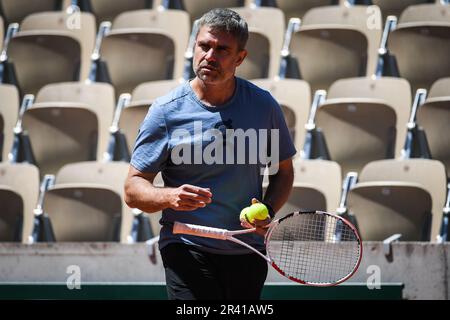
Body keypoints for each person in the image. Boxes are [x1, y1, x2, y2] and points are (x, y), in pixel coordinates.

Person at [124, 8, 295, 300]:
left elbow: (284, 172)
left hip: (247, 249)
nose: (210, 56)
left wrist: (267, 210)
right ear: (194, 47)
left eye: (222, 49)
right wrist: (169, 196)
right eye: (204, 46)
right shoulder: (166, 111)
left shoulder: (263, 106)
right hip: (186, 246)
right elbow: (132, 188)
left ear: (240, 58)